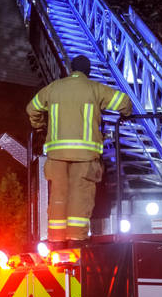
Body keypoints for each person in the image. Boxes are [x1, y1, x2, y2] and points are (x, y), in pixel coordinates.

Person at [27, 56, 130, 242]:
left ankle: (56, 241)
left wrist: (40, 126)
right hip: (85, 155)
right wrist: (126, 115)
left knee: (58, 195)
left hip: (57, 155)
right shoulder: (95, 88)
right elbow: (124, 102)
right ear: (88, 71)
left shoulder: (54, 88)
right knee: (79, 195)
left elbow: (31, 108)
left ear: (70, 69)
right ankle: (76, 241)